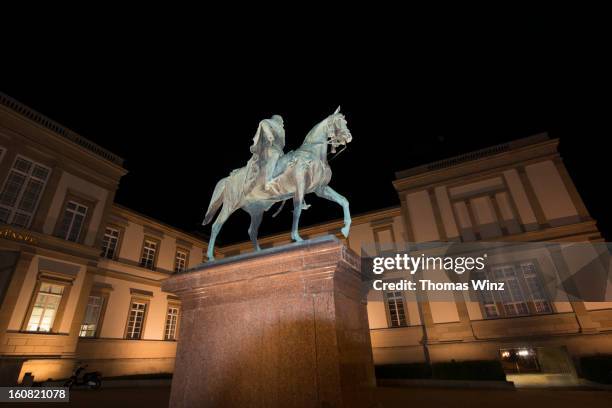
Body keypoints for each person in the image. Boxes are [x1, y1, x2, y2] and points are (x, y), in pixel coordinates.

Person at [244, 115, 285, 194]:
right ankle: (268, 180)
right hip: (268, 148)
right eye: (281, 121)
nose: (282, 124)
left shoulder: (280, 130)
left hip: (278, 150)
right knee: (275, 154)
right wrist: (269, 134)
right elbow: (263, 122)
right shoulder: (272, 124)